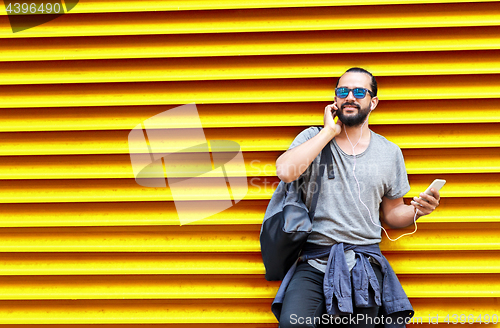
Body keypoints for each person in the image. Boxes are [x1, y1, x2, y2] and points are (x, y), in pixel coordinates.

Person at [273, 67, 440, 328]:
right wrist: (329, 132)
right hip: (314, 262)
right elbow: (284, 171)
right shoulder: (312, 138)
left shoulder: (389, 152)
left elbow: (393, 215)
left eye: (359, 91)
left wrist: (418, 210)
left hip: (364, 266)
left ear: (373, 102)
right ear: (335, 100)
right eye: (343, 91)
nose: (350, 96)